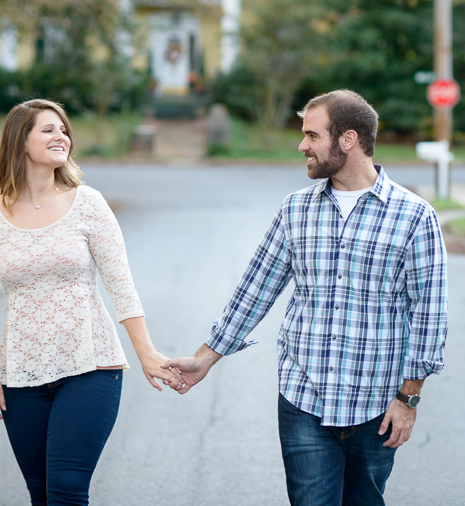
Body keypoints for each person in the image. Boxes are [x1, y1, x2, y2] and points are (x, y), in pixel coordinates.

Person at [165, 89, 448, 506]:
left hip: (377, 403)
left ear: (348, 140)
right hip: (304, 398)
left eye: (312, 136)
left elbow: (428, 314)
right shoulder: (295, 209)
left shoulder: (415, 216)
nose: (302, 146)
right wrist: (205, 358)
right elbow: (255, 289)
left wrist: (408, 398)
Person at [0, 98, 178, 506]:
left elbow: (121, 285)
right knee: (41, 493)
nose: (61, 136)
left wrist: (146, 352)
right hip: (21, 373)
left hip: (91, 366)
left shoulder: (89, 203)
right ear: (19, 140)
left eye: (63, 129)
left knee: (66, 490)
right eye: (48, 129)